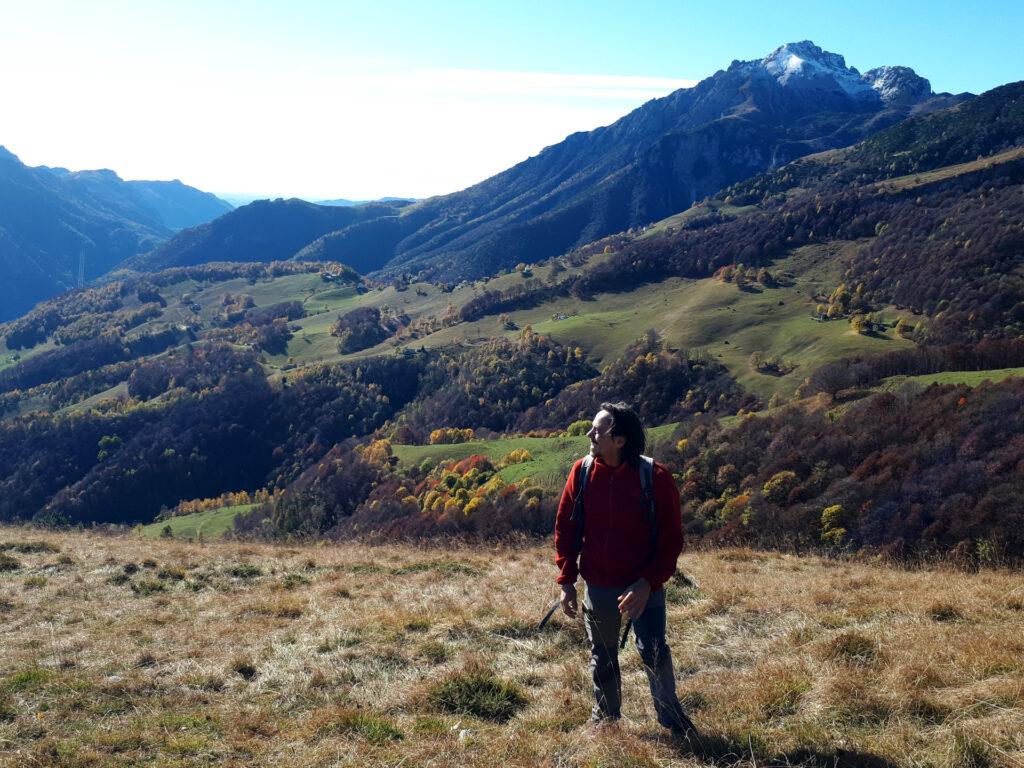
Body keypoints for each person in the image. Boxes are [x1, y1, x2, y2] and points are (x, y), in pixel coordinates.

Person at [554, 401, 694, 737]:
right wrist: (567, 581)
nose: (590, 434)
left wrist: (647, 583)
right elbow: (566, 530)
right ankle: (606, 721)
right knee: (602, 653)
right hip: (599, 583)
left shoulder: (655, 478)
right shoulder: (582, 472)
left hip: (643, 585)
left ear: (620, 440)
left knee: (655, 651)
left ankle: (673, 721)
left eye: (598, 430)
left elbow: (672, 540)